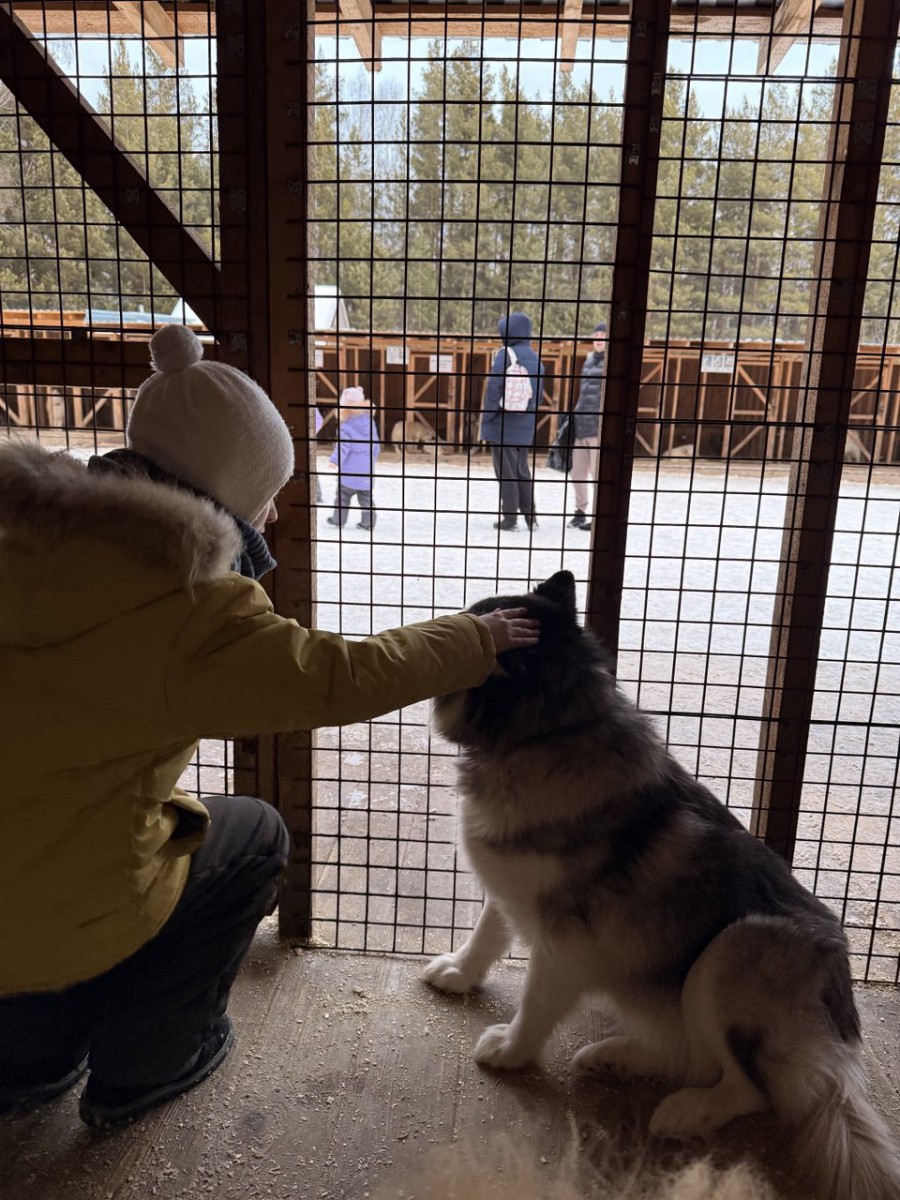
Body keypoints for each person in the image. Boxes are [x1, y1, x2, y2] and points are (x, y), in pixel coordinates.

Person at [0, 325, 539, 1132]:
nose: (278, 509)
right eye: (267, 489)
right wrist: (473, 639)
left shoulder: (23, 536)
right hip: (59, 910)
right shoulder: (184, 602)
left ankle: (29, 1060)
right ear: (222, 492)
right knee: (249, 832)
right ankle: (148, 1063)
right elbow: (333, 677)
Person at [479, 311, 544, 532]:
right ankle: (530, 517)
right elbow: (539, 395)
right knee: (522, 470)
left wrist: (487, 417)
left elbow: (493, 388)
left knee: (506, 472)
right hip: (525, 424)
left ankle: (509, 518)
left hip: (503, 423)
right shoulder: (535, 358)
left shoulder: (505, 355)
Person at [568, 322, 606, 532]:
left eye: (603, 335)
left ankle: (597, 515)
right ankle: (580, 512)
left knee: (597, 474)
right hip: (582, 425)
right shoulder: (589, 360)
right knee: (577, 473)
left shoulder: (612, 362)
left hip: (598, 428)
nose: (599, 338)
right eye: (596, 334)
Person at [326, 386, 379, 532]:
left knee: (342, 498)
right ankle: (368, 523)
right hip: (366, 471)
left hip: (349, 472)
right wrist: (371, 459)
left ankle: (338, 520)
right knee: (366, 499)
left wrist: (334, 460)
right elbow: (376, 445)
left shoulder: (346, 426)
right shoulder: (370, 423)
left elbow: (343, 447)